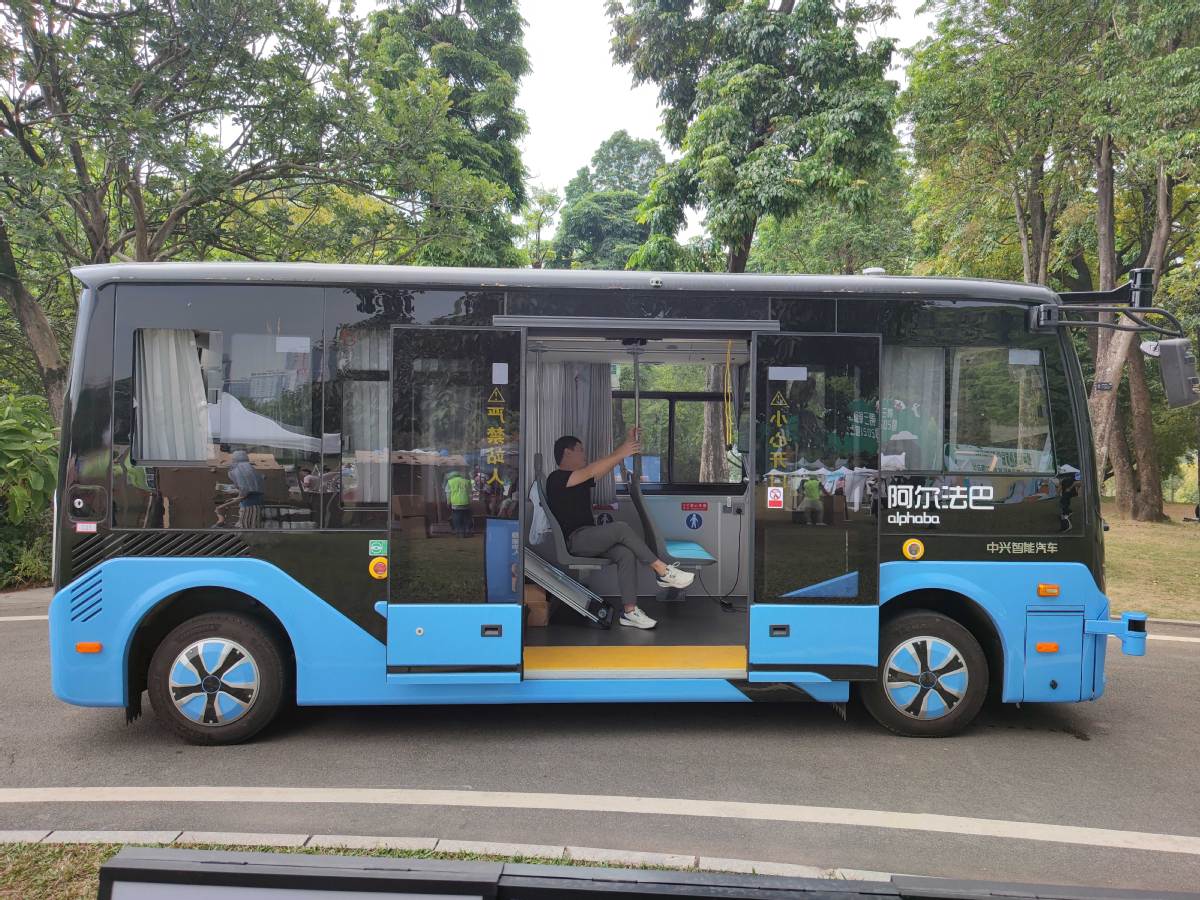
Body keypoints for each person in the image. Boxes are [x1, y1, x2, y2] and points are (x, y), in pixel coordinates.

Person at [546, 430, 695, 630]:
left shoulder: (577, 479)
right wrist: (622, 452)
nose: (585, 455)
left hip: (589, 538)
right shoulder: (557, 478)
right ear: (567, 453)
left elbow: (602, 467)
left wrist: (626, 445)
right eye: (581, 450)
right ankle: (663, 570)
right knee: (621, 529)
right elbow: (591, 470)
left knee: (625, 553)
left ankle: (630, 612)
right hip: (577, 540)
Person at [228, 450, 265, 529]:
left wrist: (237, 498)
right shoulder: (250, 468)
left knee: (246, 527)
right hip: (256, 503)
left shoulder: (239, 469)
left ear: (234, 460)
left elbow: (244, 489)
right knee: (252, 525)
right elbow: (261, 478)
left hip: (249, 505)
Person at [444, 469, 473, 537]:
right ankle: (468, 531)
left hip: (456, 503)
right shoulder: (466, 481)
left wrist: (448, 502)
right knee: (466, 517)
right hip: (466, 502)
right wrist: (470, 501)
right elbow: (470, 493)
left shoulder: (450, 482)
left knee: (457, 518)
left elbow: (448, 493)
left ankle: (460, 532)